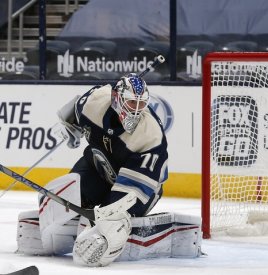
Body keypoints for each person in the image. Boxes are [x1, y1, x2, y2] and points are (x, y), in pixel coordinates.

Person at [16, 74, 202, 266]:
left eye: (141, 104)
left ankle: (125, 231)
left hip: (140, 185)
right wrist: (69, 124)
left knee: (113, 220)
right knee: (67, 196)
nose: (136, 110)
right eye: (131, 103)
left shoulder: (150, 135)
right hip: (98, 167)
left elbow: (133, 191)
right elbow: (76, 109)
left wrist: (108, 219)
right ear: (116, 98)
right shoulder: (94, 102)